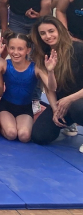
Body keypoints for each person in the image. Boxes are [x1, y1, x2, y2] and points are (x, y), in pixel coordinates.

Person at [0, 34, 48, 142]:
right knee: (11, 133)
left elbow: (51, 87)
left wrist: (50, 70)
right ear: (7, 48)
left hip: (25, 108)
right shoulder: (3, 63)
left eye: (20, 49)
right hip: (6, 107)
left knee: (24, 136)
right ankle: (2, 125)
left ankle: (12, 124)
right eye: (12, 48)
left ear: (28, 50)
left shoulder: (36, 67)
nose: (15, 52)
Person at [31, 16, 83, 146]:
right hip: (62, 103)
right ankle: (68, 123)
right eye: (43, 33)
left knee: (77, 108)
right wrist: (55, 109)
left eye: (51, 31)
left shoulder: (78, 48)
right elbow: (49, 88)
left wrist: (70, 99)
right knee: (39, 135)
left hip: (78, 100)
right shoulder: (43, 54)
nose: (48, 36)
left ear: (59, 30)